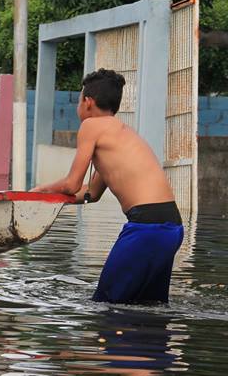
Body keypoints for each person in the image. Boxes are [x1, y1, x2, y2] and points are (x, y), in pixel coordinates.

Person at [31, 68, 183, 304]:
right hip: (172, 227)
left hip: (147, 228)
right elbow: (90, 194)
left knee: (105, 303)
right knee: (149, 307)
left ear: (88, 102)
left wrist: (40, 190)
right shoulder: (122, 133)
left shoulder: (91, 126)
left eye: (79, 99)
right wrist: (48, 200)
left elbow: (71, 184)